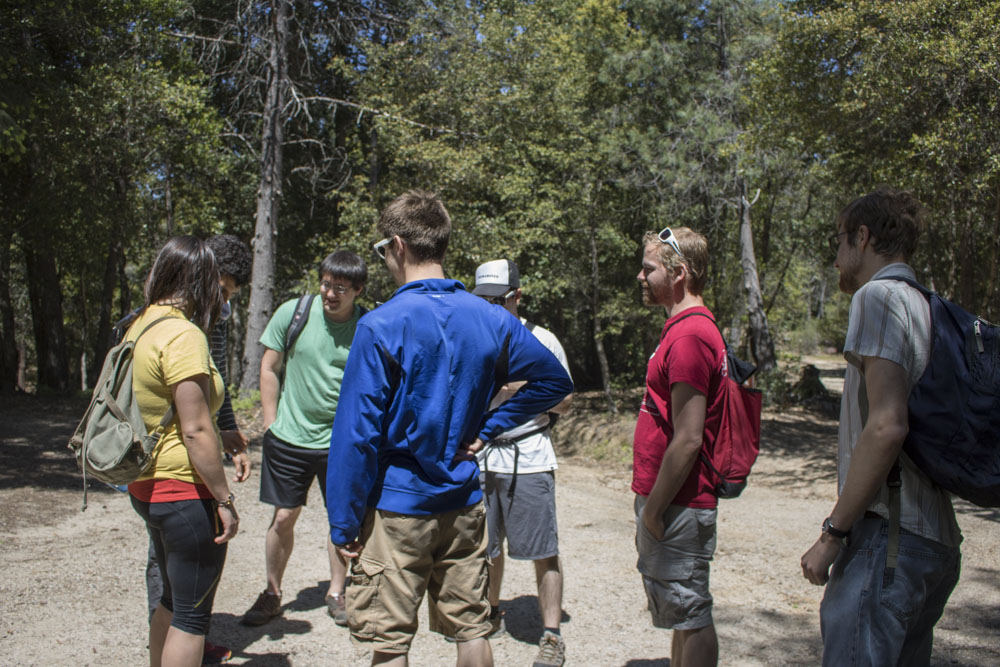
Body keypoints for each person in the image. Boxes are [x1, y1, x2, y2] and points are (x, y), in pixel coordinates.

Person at [325, 190, 573, 667]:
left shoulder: (379, 325)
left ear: (397, 245)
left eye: (383, 250)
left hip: (397, 508)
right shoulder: (491, 318)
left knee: (390, 642)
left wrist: (344, 521)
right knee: (472, 631)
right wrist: (487, 428)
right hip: (463, 503)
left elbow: (355, 437)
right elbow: (553, 382)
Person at [801, 187, 962, 666]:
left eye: (840, 242)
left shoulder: (878, 298)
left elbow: (888, 426)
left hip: (888, 543)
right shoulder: (930, 306)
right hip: (935, 542)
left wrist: (832, 535)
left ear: (863, 237)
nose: (836, 260)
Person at [126, 235, 239, 667]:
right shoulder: (183, 334)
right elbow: (195, 429)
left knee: (172, 601)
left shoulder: (141, 325)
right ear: (201, 280)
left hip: (146, 485)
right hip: (184, 492)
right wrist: (224, 498)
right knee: (193, 616)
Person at [241, 250, 367, 627]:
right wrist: (271, 422)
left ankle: (337, 592)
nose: (330, 293)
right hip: (289, 437)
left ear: (357, 290)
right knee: (283, 517)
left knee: (341, 521)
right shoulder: (293, 312)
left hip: (341, 442)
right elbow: (269, 366)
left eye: (340, 288)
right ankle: (272, 593)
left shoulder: (368, 326)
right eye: (326, 284)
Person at [471, 258, 573, 667]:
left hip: (529, 456)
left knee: (543, 549)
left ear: (517, 296)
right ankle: (490, 612)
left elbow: (565, 400)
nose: (492, 307)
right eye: (485, 300)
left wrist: (518, 388)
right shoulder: (474, 337)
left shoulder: (542, 340)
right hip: (482, 459)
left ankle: (551, 634)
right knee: (485, 547)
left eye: (499, 299)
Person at [633, 227, 727, 667]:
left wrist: (653, 510)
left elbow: (689, 437)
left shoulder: (690, 336)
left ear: (679, 274)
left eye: (649, 268)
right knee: (681, 614)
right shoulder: (682, 329)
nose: (640, 276)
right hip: (673, 501)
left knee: (691, 613)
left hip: (679, 503)